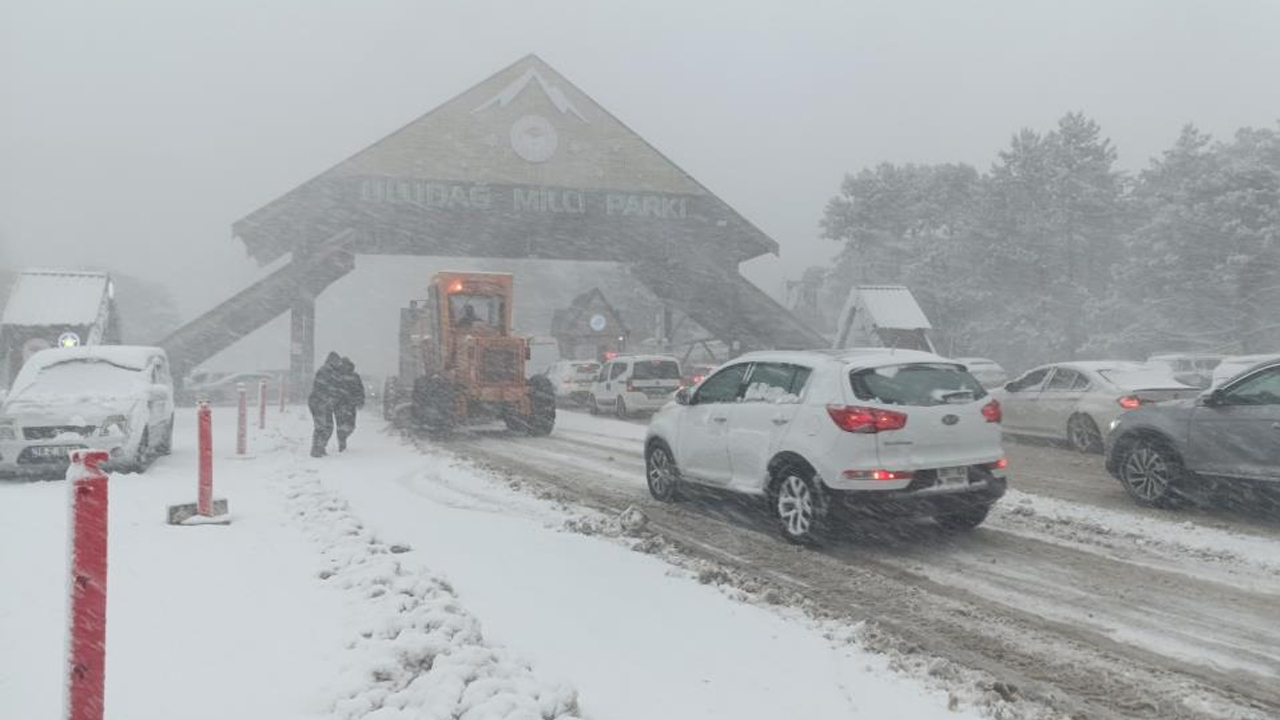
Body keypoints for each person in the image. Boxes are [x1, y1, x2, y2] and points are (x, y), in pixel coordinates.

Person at [308, 351, 344, 457]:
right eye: (337, 361)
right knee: (321, 427)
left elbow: (335, 389)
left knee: (328, 427)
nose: (339, 364)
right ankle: (316, 449)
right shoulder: (324, 371)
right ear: (332, 361)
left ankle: (321, 447)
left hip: (326, 404)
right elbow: (322, 388)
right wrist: (328, 398)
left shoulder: (333, 372)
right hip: (318, 403)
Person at [334, 356, 365, 452]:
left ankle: (343, 437)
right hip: (339, 405)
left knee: (351, 426)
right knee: (340, 425)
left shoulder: (355, 376)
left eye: (346, 365)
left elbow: (360, 389)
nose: (344, 366)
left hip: (351, 405)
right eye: (343, 365)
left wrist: (360, 400)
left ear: (349, 365)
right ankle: (342, 442)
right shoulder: (336, 376)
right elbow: (332, 389)